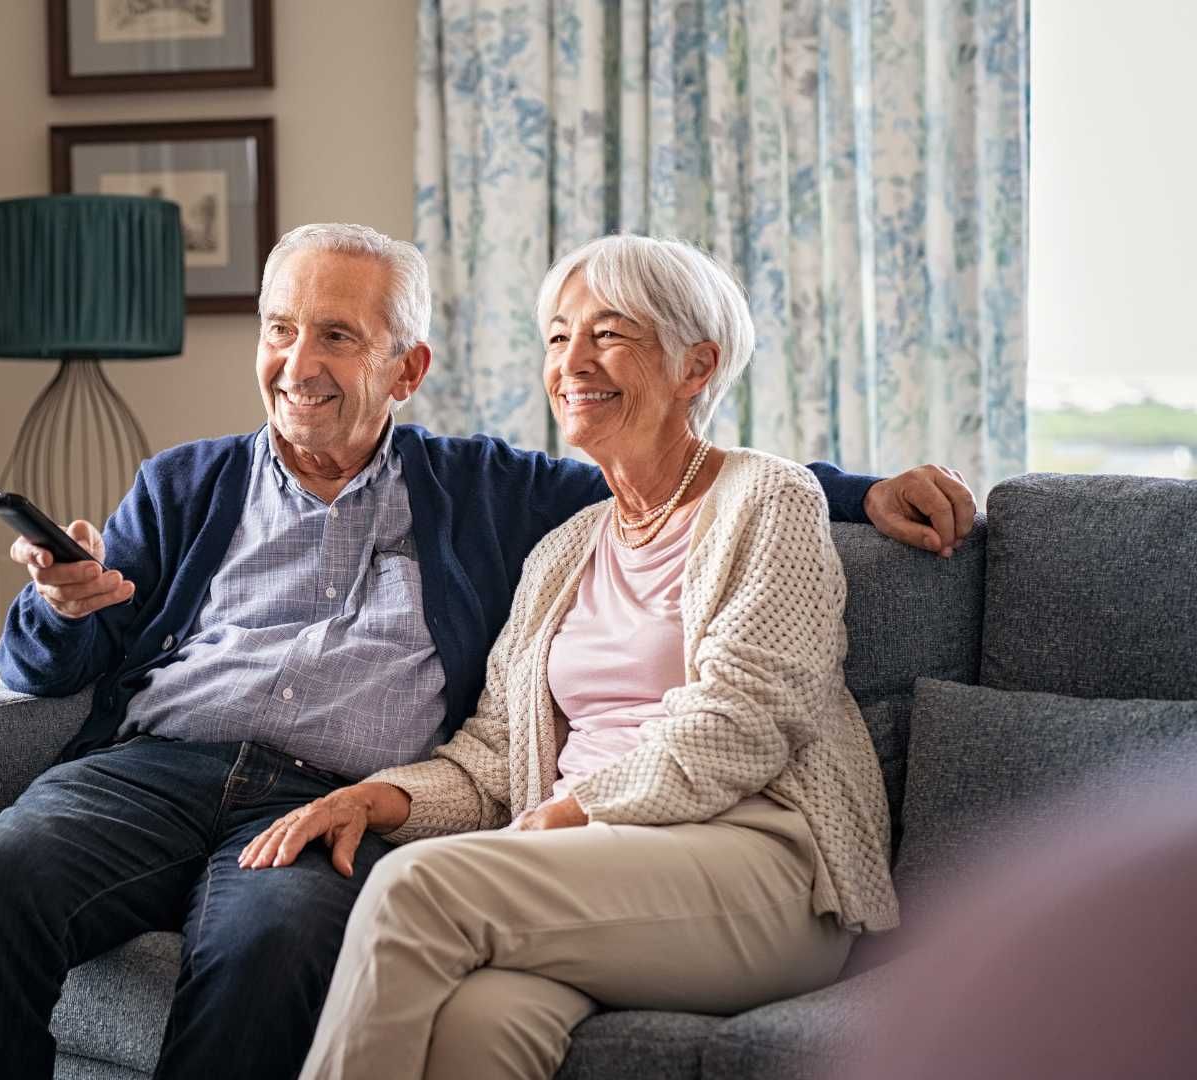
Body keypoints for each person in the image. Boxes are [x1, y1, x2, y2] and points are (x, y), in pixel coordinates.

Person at [0, 224, 972, 1080]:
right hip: (156, 771)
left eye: (337, 335)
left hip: (336, 789)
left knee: (278, 943)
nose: (299, 364)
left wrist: (865, 493)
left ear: (407, 368)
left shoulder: (499, 494)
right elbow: (52, 666)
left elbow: (698, 476)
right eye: (281, 329)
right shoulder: (184, 485)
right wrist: (61, 603)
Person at [252, 235, 899, 1080]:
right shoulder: (563, 551)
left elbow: (745, 721)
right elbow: (493, 758)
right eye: (559, 337)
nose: (573, 361)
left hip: (761, 868)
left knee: (416, 888)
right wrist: (378, 798)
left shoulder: (767, 499)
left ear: (694, 366)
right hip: (592, 870)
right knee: (479, 1025)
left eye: (610, 333)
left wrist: (570, 811)